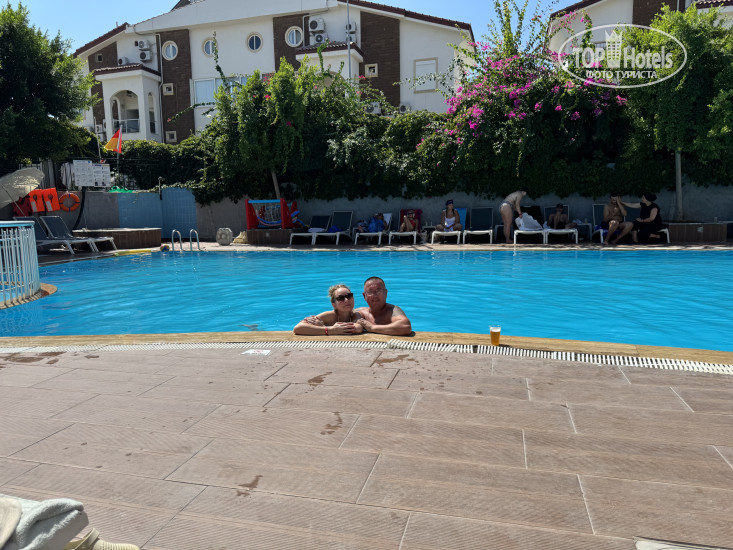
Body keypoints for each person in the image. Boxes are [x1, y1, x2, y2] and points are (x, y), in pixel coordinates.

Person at [293, 284, 364, 335]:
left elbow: (358, 328)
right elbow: (298, 328)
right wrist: (330, 330)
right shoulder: (329, 316)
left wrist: (323, 327)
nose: (346, 300)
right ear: (334, 305)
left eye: (349, 296)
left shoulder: (356, 314)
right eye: (340, 298)